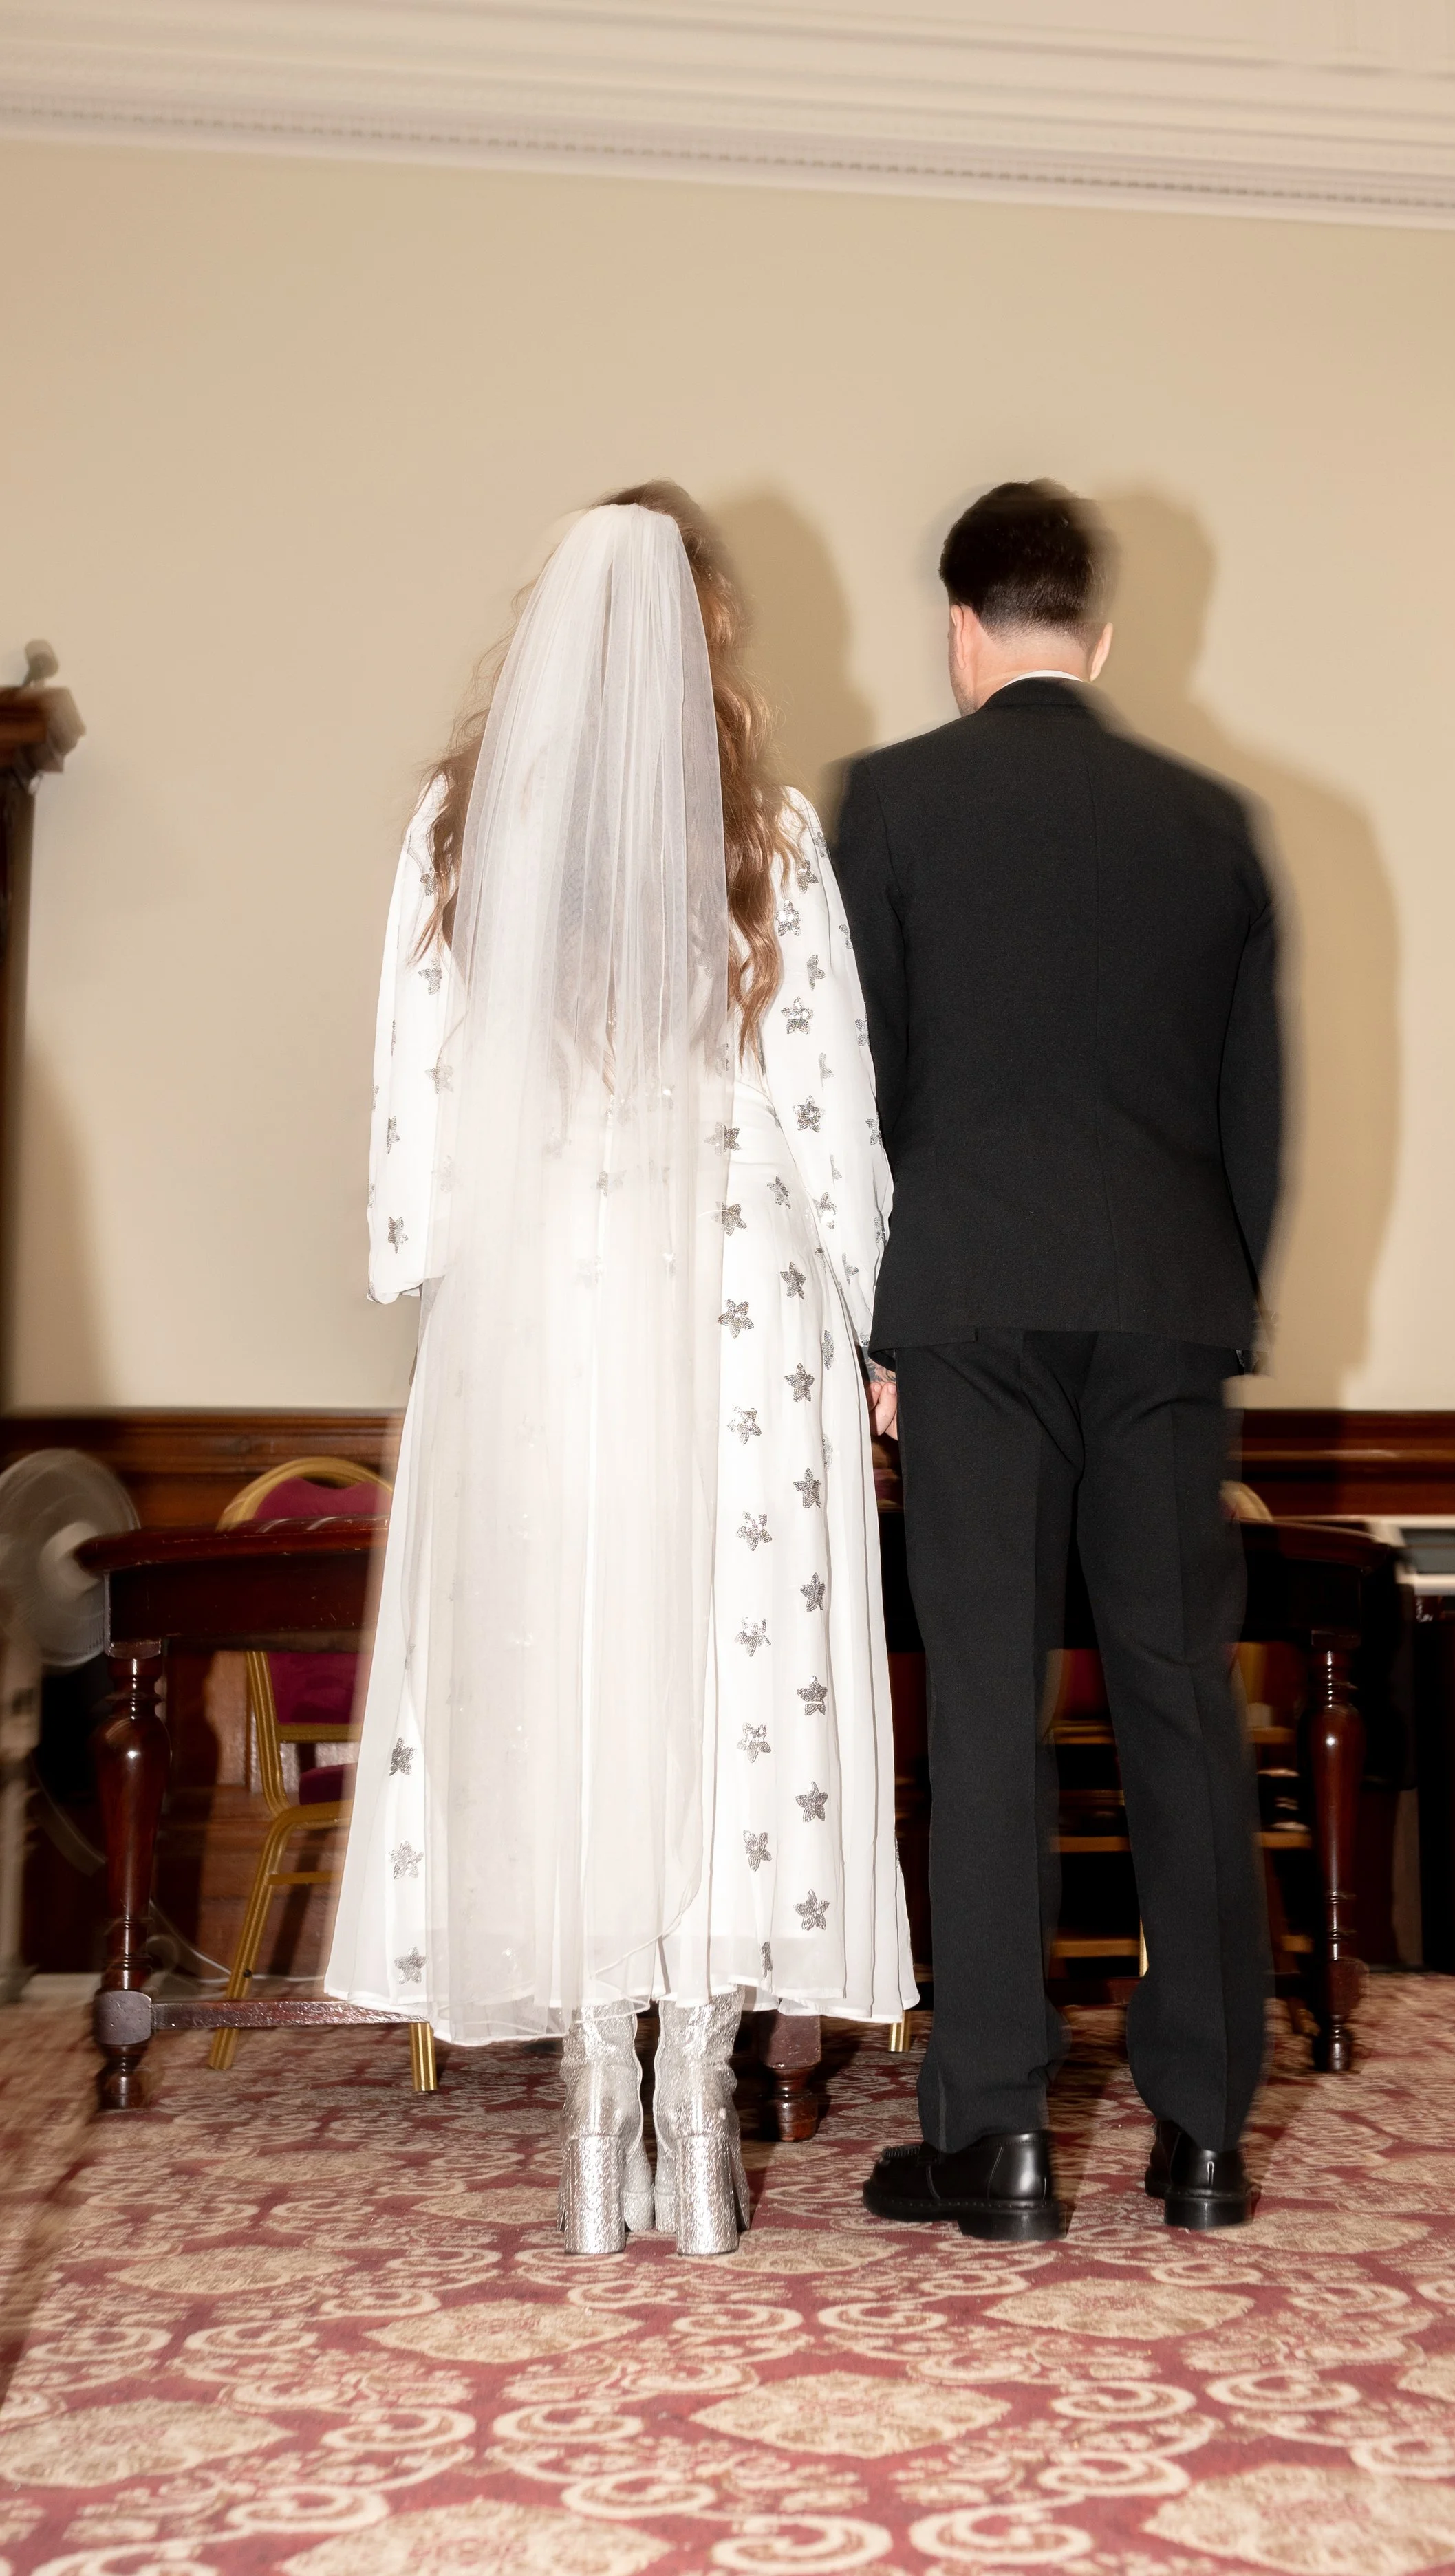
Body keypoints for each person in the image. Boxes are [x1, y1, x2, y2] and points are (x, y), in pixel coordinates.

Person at [325, 486, 914, 2258]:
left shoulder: (458, 834)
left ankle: (595, 2139)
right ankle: (694, 2130)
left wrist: (425, 1264)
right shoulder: (768, 839)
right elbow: (829, 1113)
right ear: (708, 646)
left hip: (547, 1331)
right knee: (734, 1696)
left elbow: (414, 1105)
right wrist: (881, 1320)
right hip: (743, 1330)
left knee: (570, 1680)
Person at [834, 481, 1280, 2240]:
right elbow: (1253, 1108)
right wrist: (1219, 1305)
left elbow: (855, 1088)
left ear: (958, 631)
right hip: (1167, 1299)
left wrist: (868, 1326)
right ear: (1097, 634)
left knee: (989, 1703)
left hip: (961, 1303)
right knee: (1175, 1695)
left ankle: (996, 2134)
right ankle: (1204, 2139)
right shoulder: (1207, 820)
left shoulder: (892, 804)